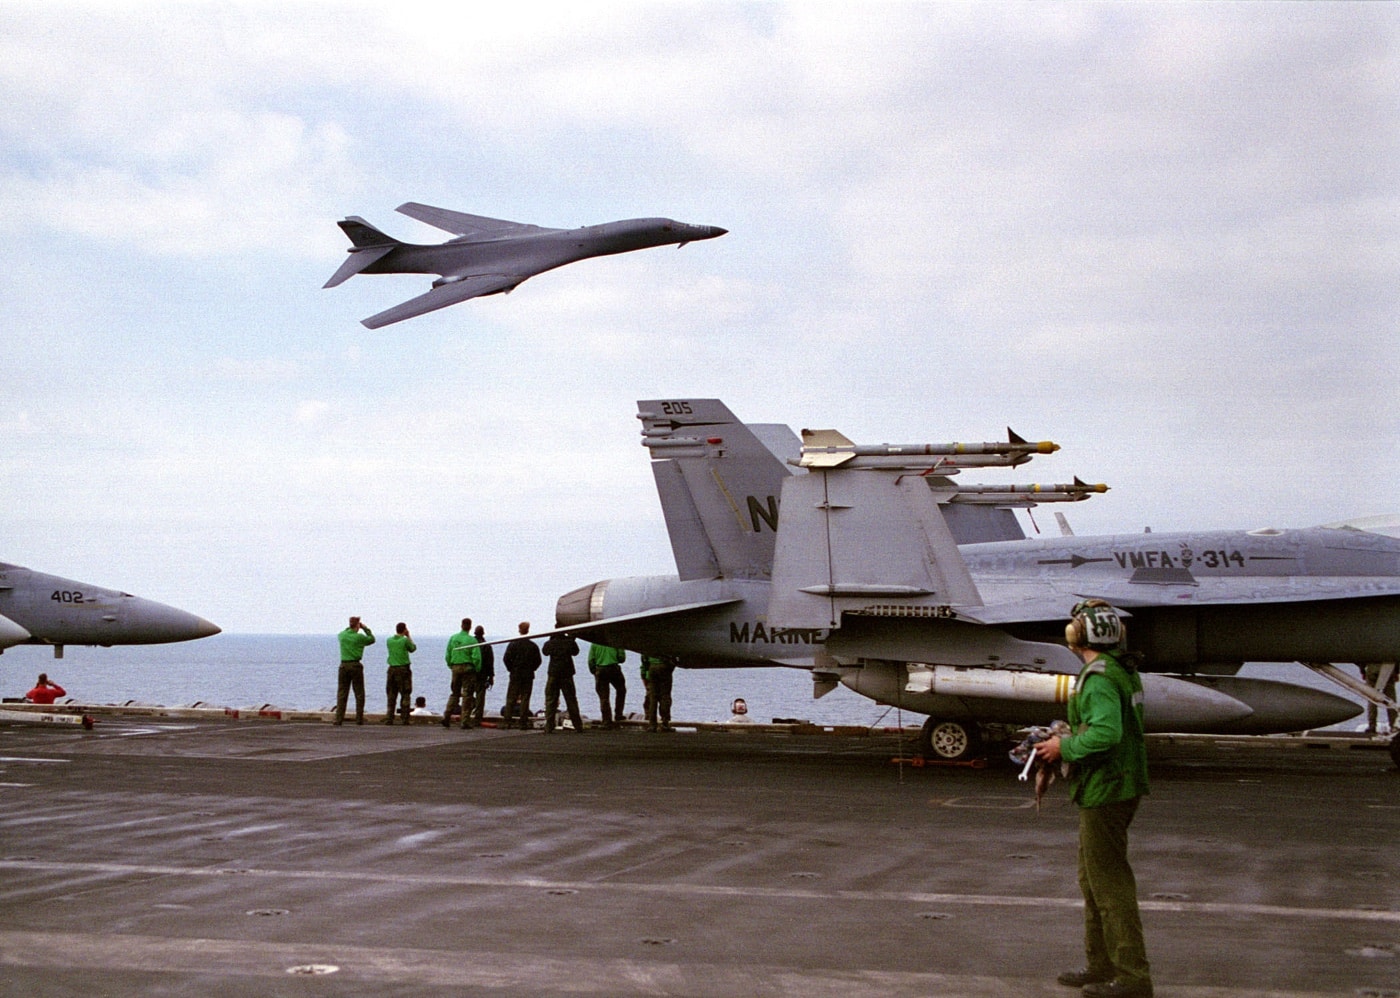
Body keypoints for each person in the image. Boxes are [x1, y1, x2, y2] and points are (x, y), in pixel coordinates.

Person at [1035, 599, 1152, 998]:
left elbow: (1106, 734)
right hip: (1115, 784)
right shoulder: (1118, 670)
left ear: (1077, 635)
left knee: (1109, 884)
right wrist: (1067, 735)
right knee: (1093, 880)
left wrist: (1062, 750)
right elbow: (1103, 727)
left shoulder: (1098, 677)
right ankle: (1101, 965)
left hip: (1107, 789)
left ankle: (1132, 978)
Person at [334, 616, 375, 726]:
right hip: (355, 666)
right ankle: (359, 719)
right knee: (359, 693)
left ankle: (338, 719)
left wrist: (352, 627)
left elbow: (343, 632)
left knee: (342, 693)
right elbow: (372, 639)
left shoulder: (342, 636)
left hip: (343, 665)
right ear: (358, 625)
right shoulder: (359, 637)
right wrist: (365, 628)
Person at [442, 618, 481, 729]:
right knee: (467, 695)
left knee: (454, 693)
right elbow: (476, 657)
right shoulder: (472, 641)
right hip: (468, 669)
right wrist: (477, 669)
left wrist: (451, 665)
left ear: (461, 625)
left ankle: (447, 716)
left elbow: (448, 654)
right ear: (470, 627)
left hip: (455, 667)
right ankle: (465, 721)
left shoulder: (453, 638)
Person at [541, 632, 584, 733]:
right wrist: (571, 639)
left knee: (551, 700)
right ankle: (578, 725)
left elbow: (545, 652)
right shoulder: (569, 642)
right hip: (567, 673)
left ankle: (549, 726)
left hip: (553, 673)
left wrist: (551, 638)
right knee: (571, 700)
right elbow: (575, 652)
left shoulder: (550, 643)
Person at [502, 622, 542, 729]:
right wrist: (532, 669)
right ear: (528, 630)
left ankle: (507, 721)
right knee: (525, 698)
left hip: (515, 674)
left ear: (519, 630)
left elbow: (506, 659)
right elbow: (538, 661)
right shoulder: (532, 646)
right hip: (528, 675)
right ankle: (523, 722)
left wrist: (511, 669)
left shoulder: (512, 644)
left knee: (511, 698)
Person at [587, 641, 627, 728]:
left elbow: (591, 660)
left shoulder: (594, 644)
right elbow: (622, 658)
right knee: (621, 690)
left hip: (600, 670)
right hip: (614, 668)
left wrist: (594, 671)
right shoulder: (616, 642)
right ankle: (618, 714)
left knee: (604, 696)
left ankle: (606, 720)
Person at [384, 622, 416, 725]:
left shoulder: (389, 640)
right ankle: (405, 718)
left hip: (392, 669)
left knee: (391, 695)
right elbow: (413, 648)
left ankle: (389, 718)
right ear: (404, 629)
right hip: (403, 669)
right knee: (405, 694)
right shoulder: (404, 640)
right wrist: (408, 636)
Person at [640, 654, 675, 732]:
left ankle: (652, 724)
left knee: (653, 698)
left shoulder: (648, 643)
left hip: (652, 668)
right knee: (665, 696)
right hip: (664, 666)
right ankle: (664, 723)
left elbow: (644, 658)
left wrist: (643, 673)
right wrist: (671, 667)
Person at [1361, 663, 1398, 734]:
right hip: (1389, 669)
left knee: (1372, 700)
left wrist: (1362, 671)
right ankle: (1393, 726)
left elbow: (1363, 658)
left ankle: (1372, 726)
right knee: (1391, 700)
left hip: (1372, 669)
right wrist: (1396, 671)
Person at [473, 624, 494, 726]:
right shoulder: (487, 645)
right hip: (482, 675)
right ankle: (478, 718)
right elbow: (490, 662)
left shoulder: (470, 644)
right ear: (483, 633)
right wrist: (491, 677)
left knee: (467, 695)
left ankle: (466, 715)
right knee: (480, 697)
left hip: (470, 673)